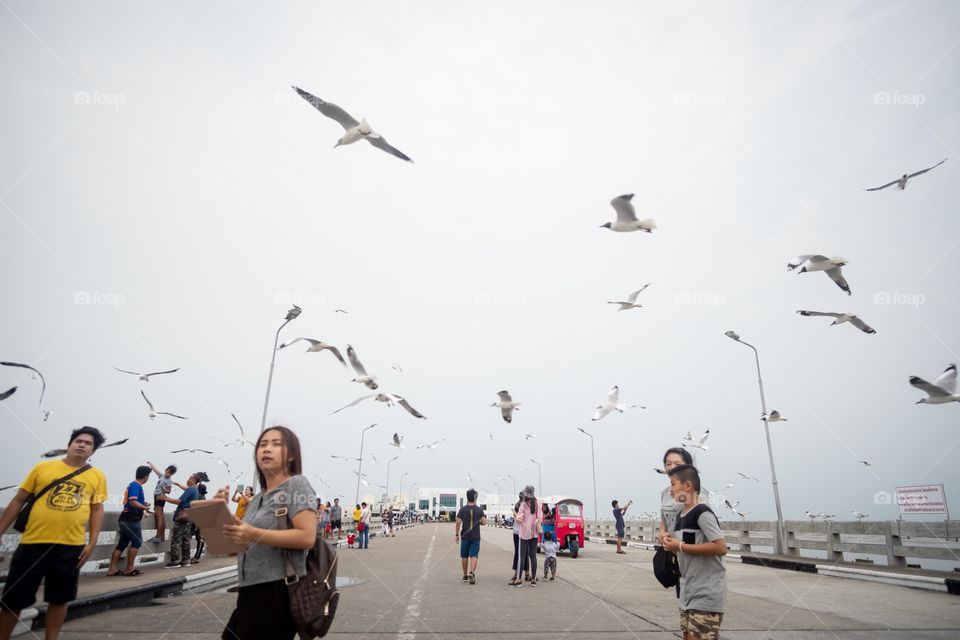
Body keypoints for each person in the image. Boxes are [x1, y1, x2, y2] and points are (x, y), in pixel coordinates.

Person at [0, 427, 108, 640]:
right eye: (78, 440)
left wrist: (92, 541)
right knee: (13, 599)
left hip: (70, 545)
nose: (82, 445)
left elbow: (97, 509)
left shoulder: (97, 476)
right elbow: (19, 500)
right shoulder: (42, 468)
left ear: (92, 451)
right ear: (69, 444)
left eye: (88, 443)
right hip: (33, 542)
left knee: (59, 599)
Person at [219, 425, 317, 640]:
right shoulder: (258, 499)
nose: (266, 449)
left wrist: (253, 533)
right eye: (262, 444)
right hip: (248, 591)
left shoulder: (296, 485)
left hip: (276, 591)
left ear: (291, 455)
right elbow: (234, 549)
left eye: (276, 444)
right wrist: (219, 515)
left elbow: (307, 537)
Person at [661, 464, 727, 640]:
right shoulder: (681, 516)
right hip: (687, 592)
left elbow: (720, 547)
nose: (671, 490)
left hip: (706, 593)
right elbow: (680, 547)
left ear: (688, 486)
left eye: (673, 484)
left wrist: (680, 546)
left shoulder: (702, 513)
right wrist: (668, 543)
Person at [106, 465, 153, 576]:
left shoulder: (132, 485)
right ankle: (129, 568)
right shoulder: (136, 486)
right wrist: (144, 508)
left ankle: (112, 568)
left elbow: (131, 501)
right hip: (131, 520)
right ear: (146, 476)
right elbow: (132, 502)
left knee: (122, 543)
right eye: (148, 476)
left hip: (125, 519)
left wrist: (143, 504)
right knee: (137, 542)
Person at [162, 471, 208, 567]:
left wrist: (164, 498)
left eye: (190, 478)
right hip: (189, 518)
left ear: (194, 480)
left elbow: (179, 501)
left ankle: (175, 561)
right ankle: (186, 560)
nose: (188, 479)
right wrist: (178, 484)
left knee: (176, 540)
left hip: (182, 517)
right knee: (186, 539)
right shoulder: (195, 490)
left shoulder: (191, 489)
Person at [658, 448, 694, 547]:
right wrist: (662, 532)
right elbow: (665, 518)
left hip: (689, 554)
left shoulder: (696, 491)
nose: (672, 467)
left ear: (688, 467)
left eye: (677, 464)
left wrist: (680, 546)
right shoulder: (665, 492)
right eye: (668, 464)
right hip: (668, 553)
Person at [146, 462, 185, 544]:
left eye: (170, 473)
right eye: (167, 472)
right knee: (161, 516)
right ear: (165, 470)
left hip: (160, 497)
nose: (168, 474)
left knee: (159, 516)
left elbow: (169, 491)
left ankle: (157, 536)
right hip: (157, 496)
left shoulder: (169, 481)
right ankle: (162, 536)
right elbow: (155, 470)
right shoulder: (162, 476)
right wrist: (150, 464)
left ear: (172, 474)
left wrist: (164, 490)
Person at [510, 485, 540, 587]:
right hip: (534, 533)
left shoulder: (523, 505)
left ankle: (519, 579)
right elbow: (540, 518)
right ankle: (533, 580)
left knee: (522, 557)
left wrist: (515, 514)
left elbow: (519, 519)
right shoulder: (537, 504)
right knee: (533, 556)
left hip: (524, 534)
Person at [455, 489, 486, 584]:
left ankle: (465, 576)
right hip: (475, 536)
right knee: (474, 555)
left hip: (465, 536)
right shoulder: (479, 510)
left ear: (467, 497)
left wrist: (456, 534)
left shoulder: (462, 509)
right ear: (475, 498)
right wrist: (479, 522)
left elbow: (458, 522)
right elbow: (484, 522)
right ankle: (472, 572)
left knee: (464, 556)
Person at [509, 493, 529, 582]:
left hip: (516, 532)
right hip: (524, 532)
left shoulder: (517, 505)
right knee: (525, 552)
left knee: (518, 552)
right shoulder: (526, 506)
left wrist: (515, 514)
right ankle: (527, 573)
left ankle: (516, 573)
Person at [190, 482, 208, 564]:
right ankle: (195, 557)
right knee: (199, 539)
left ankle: (196, 557)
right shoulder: (201, 497)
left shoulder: (200, 498)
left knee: (200, 540)